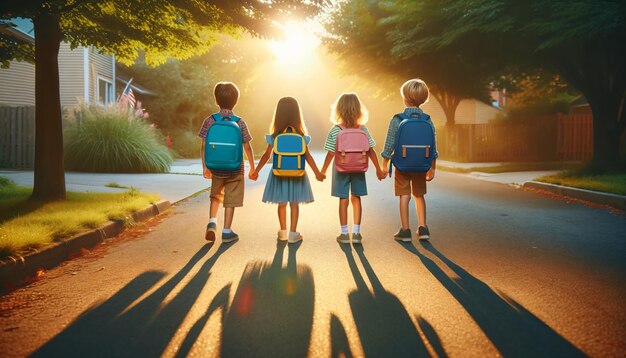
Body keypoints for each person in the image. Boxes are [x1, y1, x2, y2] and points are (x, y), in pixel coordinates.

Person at [250, 97, 325, 243]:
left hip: (279, 173)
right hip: (297, 173)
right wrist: (318, 173)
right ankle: (293, 233)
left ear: (278, 114)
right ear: (297, 115)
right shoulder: (301, 136)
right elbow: (308, 156)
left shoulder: (275, 136)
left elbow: (267, 155)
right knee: (294, 203)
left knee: (282, 203)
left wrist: (256, 171)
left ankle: (283, 231)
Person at [320, 93, 383, 244]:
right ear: (359, 110)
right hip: (359, 168)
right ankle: (356, 233)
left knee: (343, 199)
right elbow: (371, 151)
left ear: (338, 110)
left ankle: (344, 233)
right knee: (356, 197)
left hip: (341, 168)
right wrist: (378, 169)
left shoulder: (335, 130)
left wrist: (322, 171)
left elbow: (330, 153)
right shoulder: (363, 129)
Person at [380, 78, 438, 241]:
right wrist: (433, 167)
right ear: (423, 99)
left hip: (401, 164)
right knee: (419, 194)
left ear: (404, 98)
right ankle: (423, 228)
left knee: (404, 195)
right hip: (422, 165)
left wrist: (384, 164)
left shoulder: (397, 119)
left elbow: (389, 143)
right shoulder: (427, 120)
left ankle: (405, 230)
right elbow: (433, 145)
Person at [199, 82, 255, 243]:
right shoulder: (239, 122)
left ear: (216, 100)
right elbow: (247, 146)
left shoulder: (210, 121)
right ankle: (227, 231)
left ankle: (212, 222)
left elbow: (204, 146)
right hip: (236, 168)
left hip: (215, 166)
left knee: (215, 196)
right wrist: (253, 167)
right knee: (231, 199)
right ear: (236, 101)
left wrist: (205, 167)